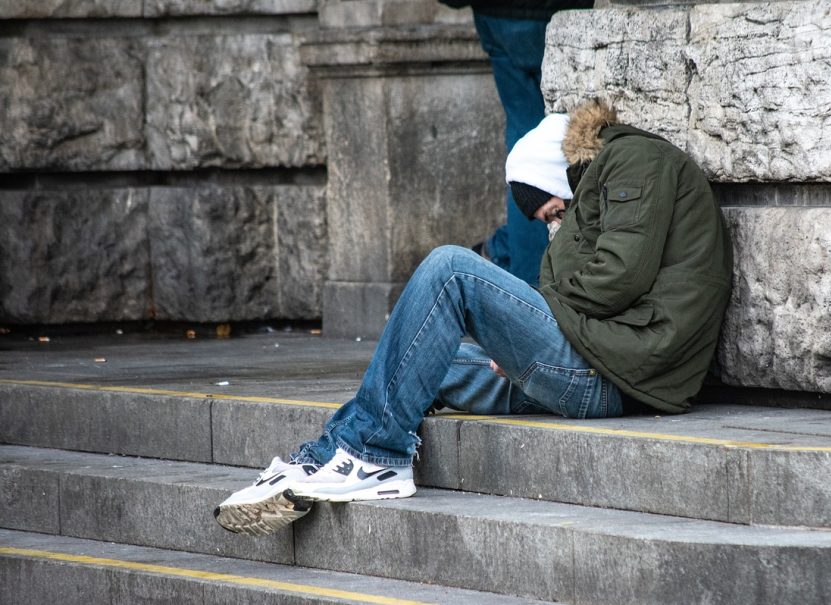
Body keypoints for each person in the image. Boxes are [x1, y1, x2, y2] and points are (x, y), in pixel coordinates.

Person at [214, 100, 733, 536]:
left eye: (552, 212)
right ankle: (321, 457)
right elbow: (596, 283)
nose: (555, 224)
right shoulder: (595, 195)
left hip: (619, 374)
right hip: (605, 361)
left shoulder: (637, 161)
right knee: (419, 354)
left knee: (451, 268)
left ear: (560, 178)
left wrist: (526, 334)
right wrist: (520, 339)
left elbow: (618, 276)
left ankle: (375, 453)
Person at [440, 0, 594, 286]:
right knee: (564, 148)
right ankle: (527, 277)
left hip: (500, 15)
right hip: (565, 12)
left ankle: (520, 276)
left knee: (527, 156)